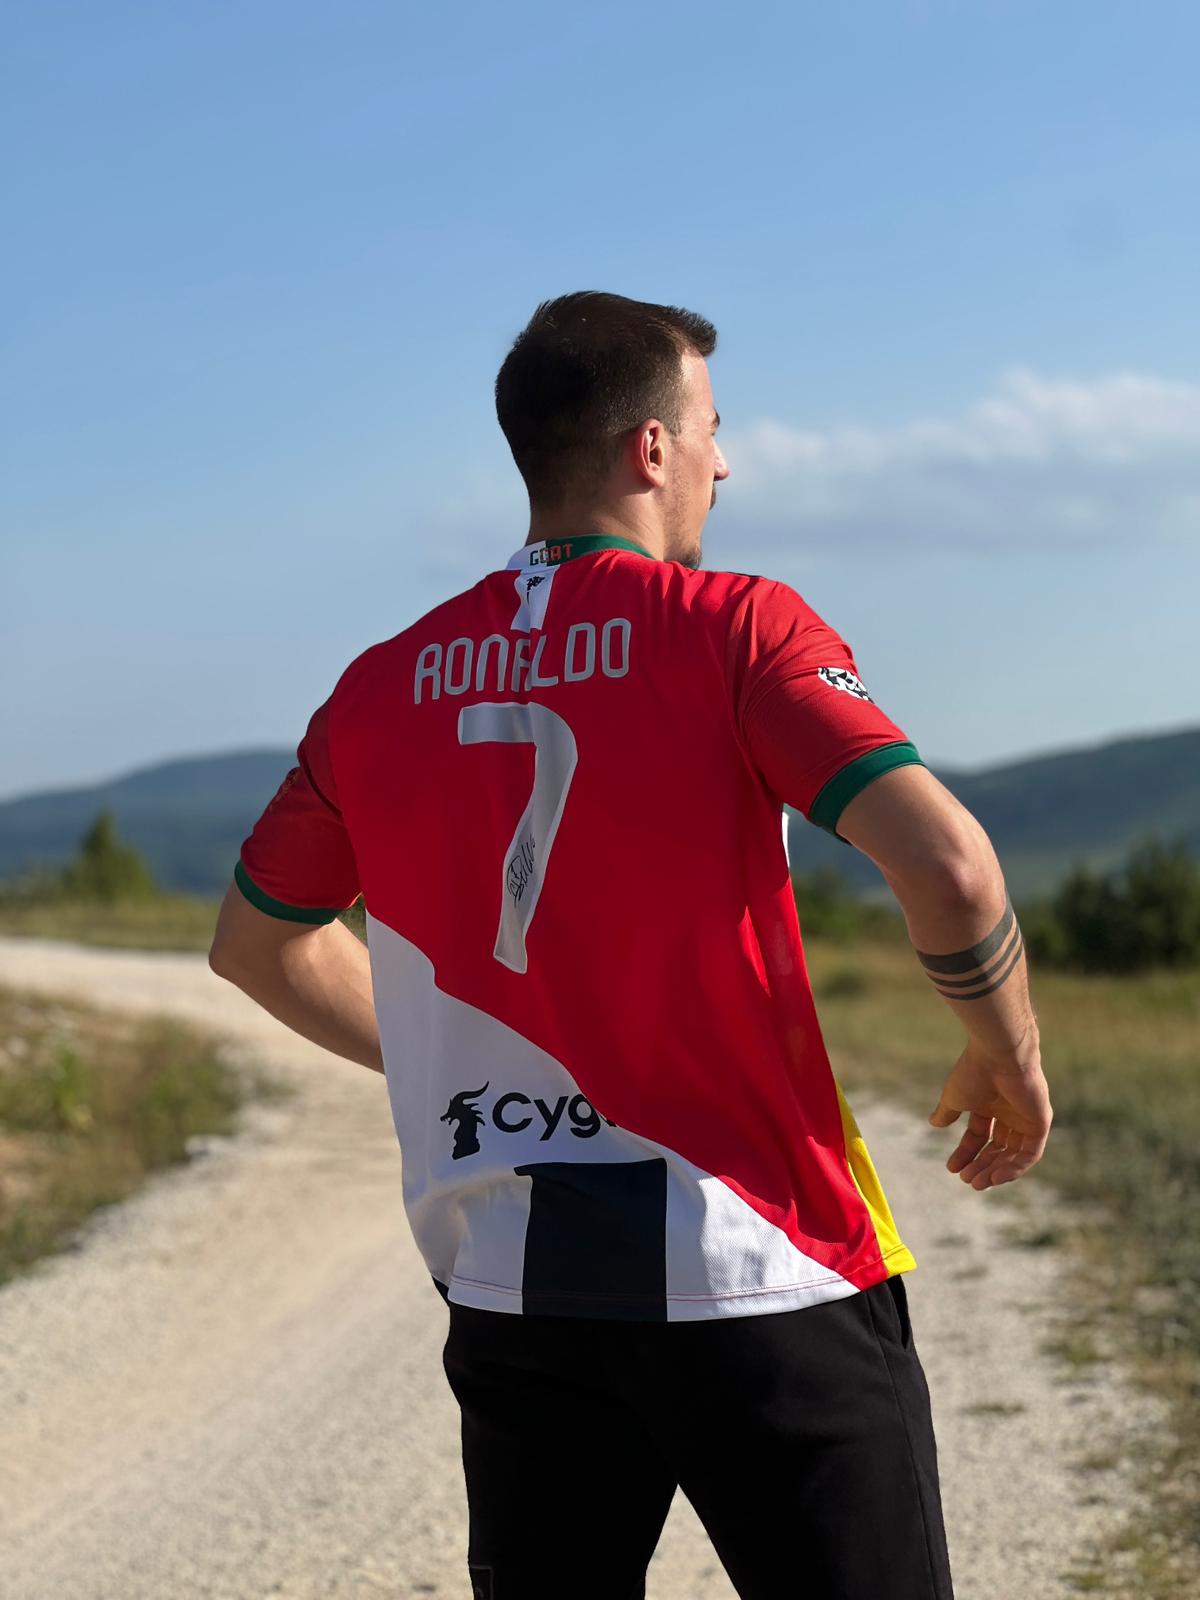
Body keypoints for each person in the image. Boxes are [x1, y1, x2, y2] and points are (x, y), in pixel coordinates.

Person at [210, 290, 1053, 1600]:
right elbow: (948, 867)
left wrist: (458, 1061)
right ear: (651, 449)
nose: (728, 461)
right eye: (713, 428)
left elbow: (258, 947)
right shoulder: (734, 627)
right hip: (759, 1269)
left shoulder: (378, 685)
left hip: (513, 1287)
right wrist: (1012, 1052)